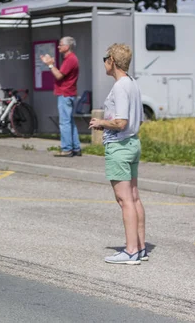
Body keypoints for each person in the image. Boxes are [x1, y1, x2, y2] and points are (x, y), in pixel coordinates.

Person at [89, 43, 146, 265]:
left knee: (124, 200)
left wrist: (100, 122)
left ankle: (131, 251)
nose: (103, 62)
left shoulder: (121, 86)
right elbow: (137, 119)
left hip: (120, 146)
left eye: (105, 58)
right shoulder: (133, 83)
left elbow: (120, 122)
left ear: (112, 60)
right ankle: (140, 247)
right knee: (134, 197)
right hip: (132, 143)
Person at [40, 36, 82, 157]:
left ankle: (67, 149)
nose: (58, 47)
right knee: (70, 122)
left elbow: (58, 75)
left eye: (60, 44)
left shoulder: (70, 59)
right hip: (69, 93)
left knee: (64, 122)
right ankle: (75, 147)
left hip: (65, 93)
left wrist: (50, 65)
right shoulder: (71, 59)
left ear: (67, 46)